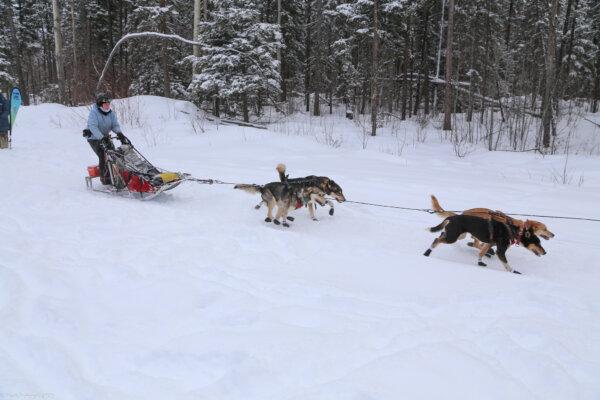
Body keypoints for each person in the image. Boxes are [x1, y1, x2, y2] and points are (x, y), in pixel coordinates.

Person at [84, 93, 130, 184]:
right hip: (94, 138)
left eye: (108, 103)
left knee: (114, 154)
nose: (108, 105)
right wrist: (101, 137)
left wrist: (119, 133)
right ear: (100, 104)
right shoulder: (94, 113)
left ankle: (118, 175)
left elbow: (115, 125)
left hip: (105, 137)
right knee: (103, 155)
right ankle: (105, 178)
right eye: (105, 103)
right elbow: (93, 127)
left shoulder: (111, 113)